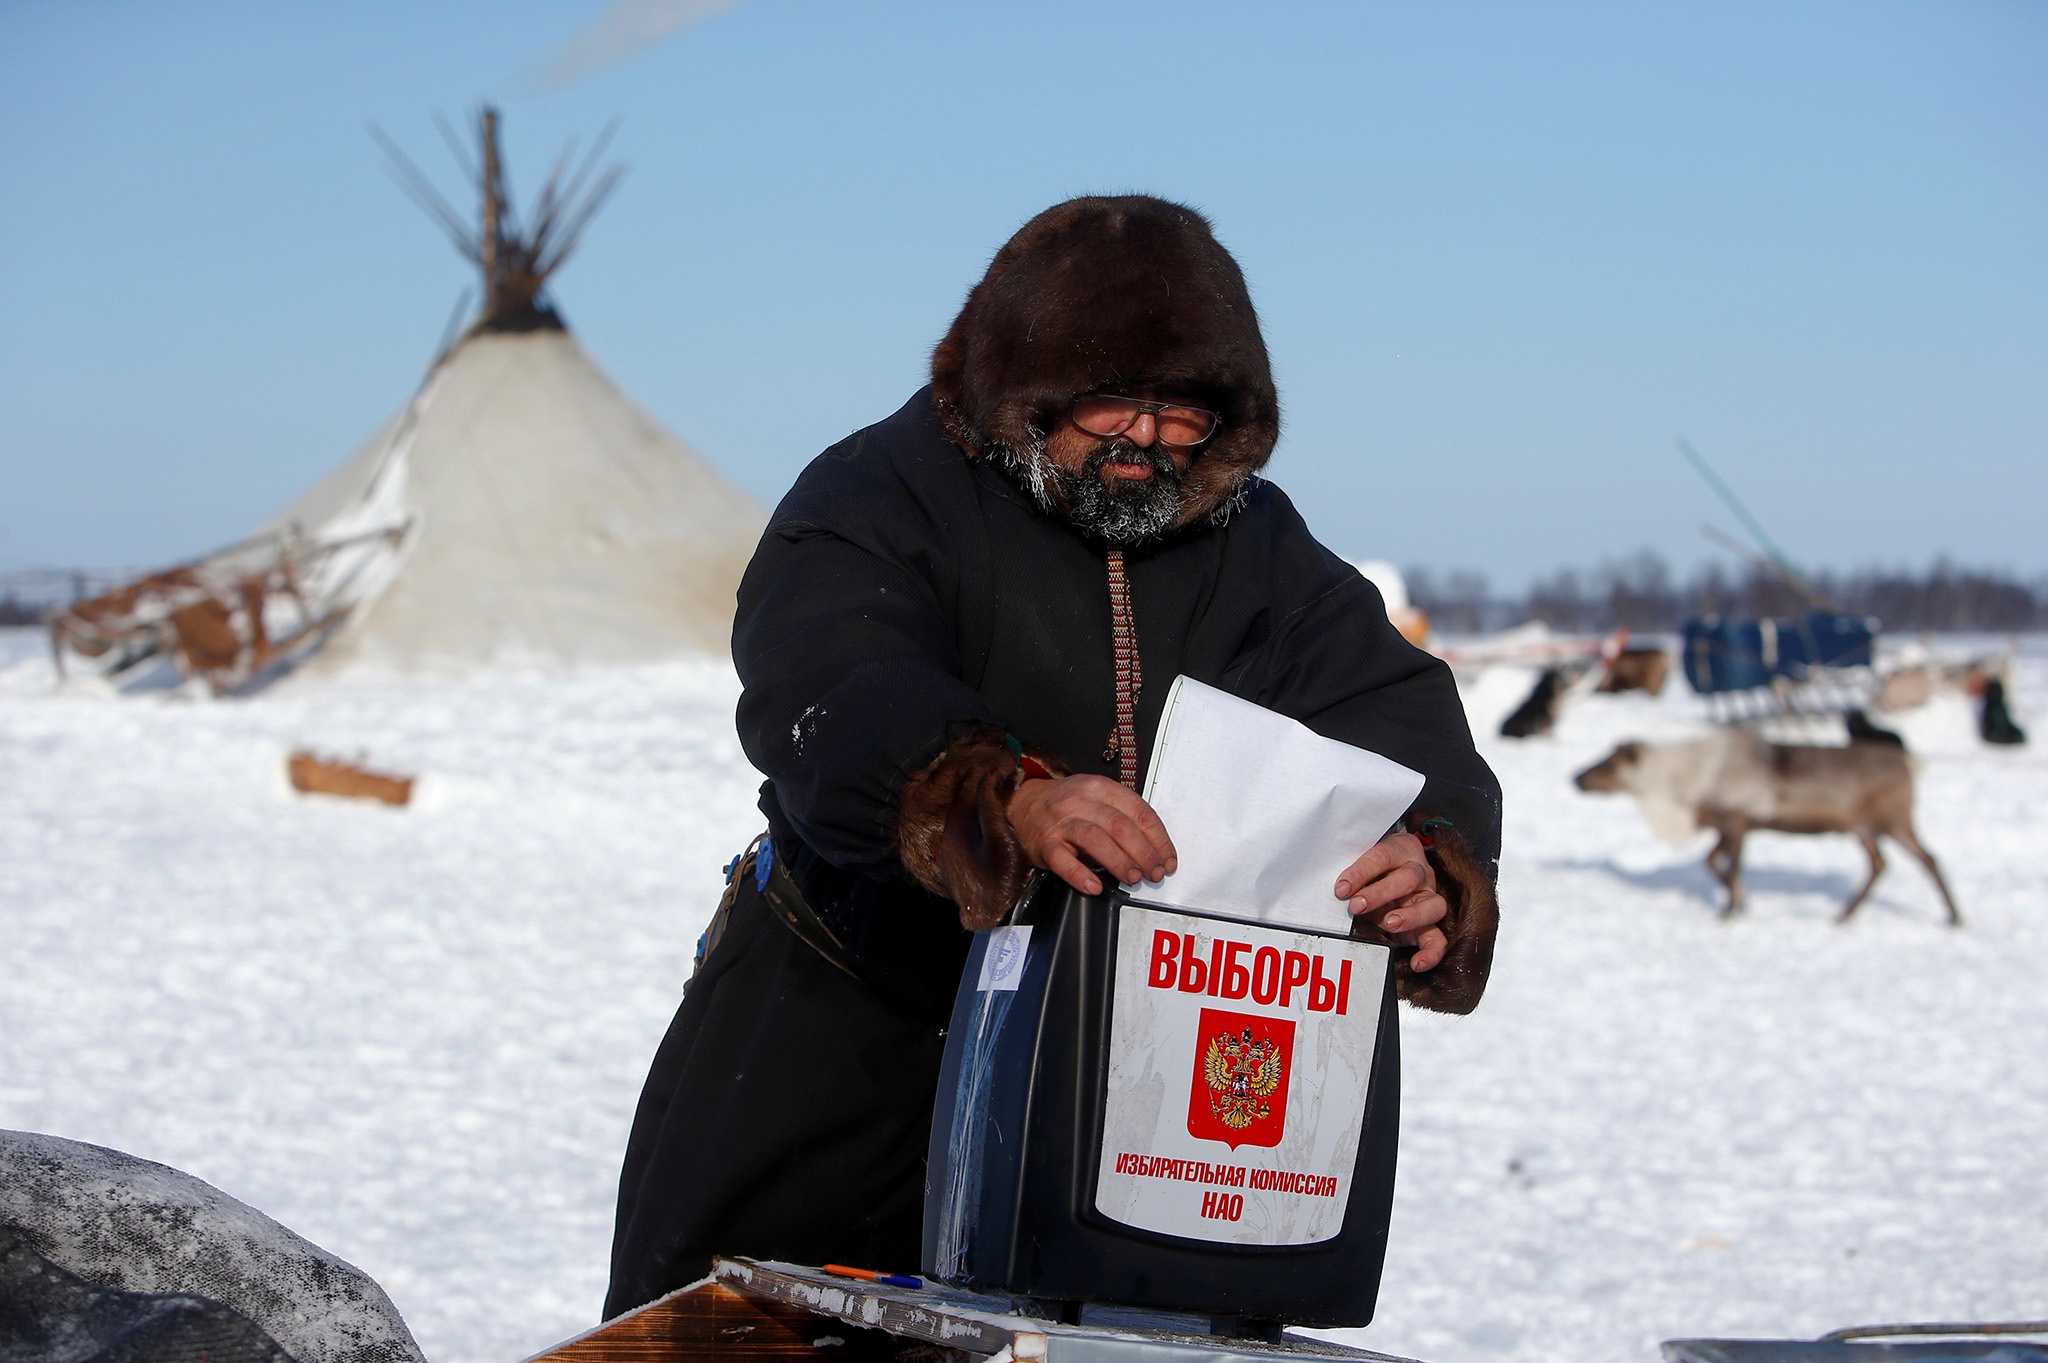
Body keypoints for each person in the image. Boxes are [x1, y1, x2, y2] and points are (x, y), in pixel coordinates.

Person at [605, 195, 1501, 1317]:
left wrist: (1426, 859)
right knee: (751, 1343)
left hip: (1132, 1075)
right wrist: (999, 798)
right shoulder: (878, 492)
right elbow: (830, 674)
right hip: (850, 1030)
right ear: (1025, 384)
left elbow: (1386, 707)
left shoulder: (1258, 545)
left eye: (1183, 410)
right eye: (1110, 399)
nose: (1145, 437)